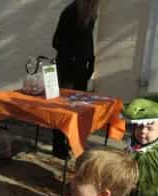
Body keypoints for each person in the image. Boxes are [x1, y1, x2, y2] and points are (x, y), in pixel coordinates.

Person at [51, 0, 99, 159]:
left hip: (80, 68)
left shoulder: (90, 13)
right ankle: (58, 144)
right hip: (67, 67)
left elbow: (88, 40)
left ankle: (72, 140)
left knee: (77, 107)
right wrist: (72, 57)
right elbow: (57, 41)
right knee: (63, 108)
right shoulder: (70, 12)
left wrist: (91, 61)